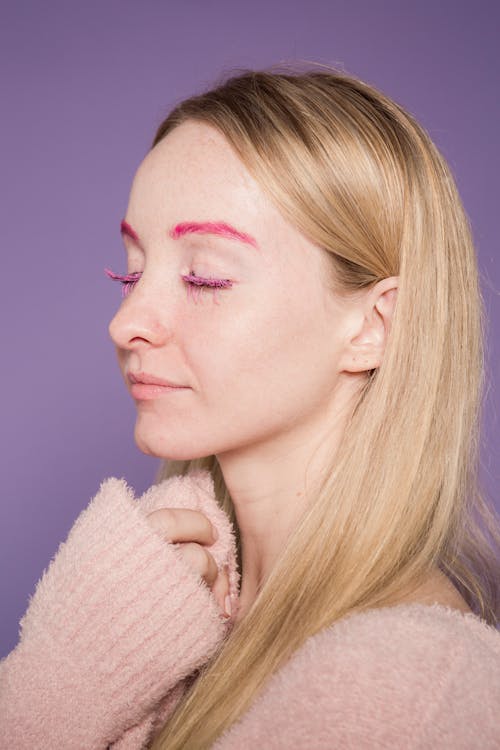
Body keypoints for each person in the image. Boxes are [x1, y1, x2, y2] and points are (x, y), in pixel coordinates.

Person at [1, 63, 499, 749]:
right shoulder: (169, 619)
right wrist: (83, 665)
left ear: (373, 326)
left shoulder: (402, 684)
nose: (127, 324)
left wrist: (52, 695)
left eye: (206, 275)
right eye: (131, 270)